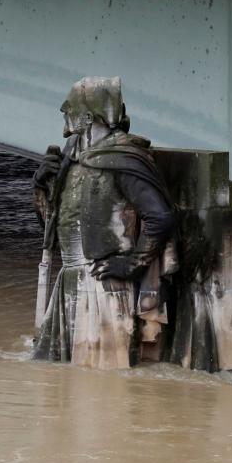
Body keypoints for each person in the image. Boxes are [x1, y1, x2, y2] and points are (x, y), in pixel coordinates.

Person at [33, 77, 176, 369]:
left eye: (69, 106)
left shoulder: (123, 158)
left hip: (104, 286)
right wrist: (41, 184)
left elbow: (161, 216)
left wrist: (132, 263)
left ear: (87, 115)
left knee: (103, 386)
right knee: (60, 382)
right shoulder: (72, 157)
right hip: (69, 280)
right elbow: (52, 226)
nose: (64, 110)